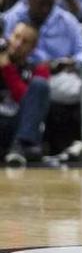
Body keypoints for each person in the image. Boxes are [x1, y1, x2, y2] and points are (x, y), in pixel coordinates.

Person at [3, 0, 82, 146]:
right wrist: (36, 64)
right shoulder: (11, 19)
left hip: (60, 78)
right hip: (26, 75)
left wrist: (73, 62)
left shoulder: (66, 20)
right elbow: (8, 53)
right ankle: (25, 143)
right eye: (40, 4)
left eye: (49, 4)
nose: (45, 9)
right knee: (38, 84)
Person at [0, 22, 50, 166]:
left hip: (18, 125)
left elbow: (27, 102)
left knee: (40, 85)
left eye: (25, 42)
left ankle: (20, 146)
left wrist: (7, 69)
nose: (18, 43)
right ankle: (22, 149)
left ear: (33, 48)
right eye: (16, 37)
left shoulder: (39, 69)